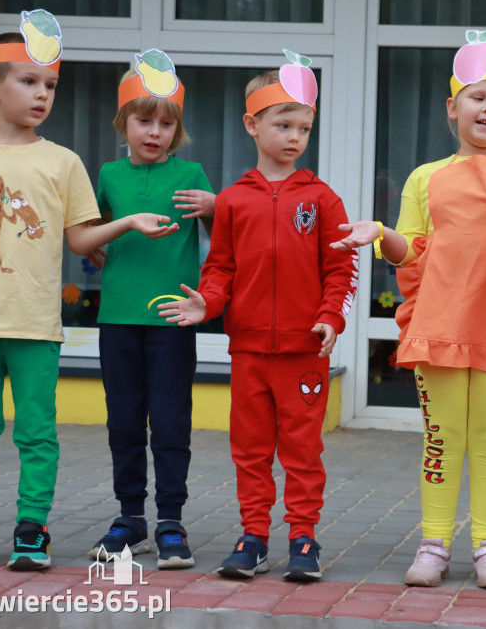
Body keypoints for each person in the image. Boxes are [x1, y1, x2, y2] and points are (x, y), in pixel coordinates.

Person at [0, 11, 179, 571]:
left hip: (34, 323)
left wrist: (126, 223)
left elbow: (79, 240)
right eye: (29, 82)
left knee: (36, 433)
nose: (42, 94)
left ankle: (33, 527)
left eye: (50, 85)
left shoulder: (63, 162)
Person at [330, 30, 486, 589]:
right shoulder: (423, 177)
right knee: (441, 436)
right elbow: (413, 250)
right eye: (478, 98)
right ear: (453, 109)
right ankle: (433, 542)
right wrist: (380, 233)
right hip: (441, 322)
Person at [157, 50, 357, 583]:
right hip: (247, 351)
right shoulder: (233, 201)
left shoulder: (322, 199)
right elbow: (220, 266)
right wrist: (209, 302)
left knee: (302, 451)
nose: (294, 136)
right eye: (283, 124)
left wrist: (330, 319)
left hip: (304, 354)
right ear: (252, 124)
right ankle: (253, 537)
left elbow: (341, 269)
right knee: (249, 451)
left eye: (304, 128)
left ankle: (302, 537)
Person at [86, 51, 215, 570]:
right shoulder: (109, 175)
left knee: (169, 421)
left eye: (167, 122)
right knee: (122, 422)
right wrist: (108, 234)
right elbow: (86, 237)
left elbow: (226, 241)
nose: (155, 131)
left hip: (172, 319)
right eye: (144, 120)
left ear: (177, 129)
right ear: (124, 122)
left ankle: (170, 521)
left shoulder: (193, 173)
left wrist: (217, 207)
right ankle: (129, 517)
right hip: (117, 319)